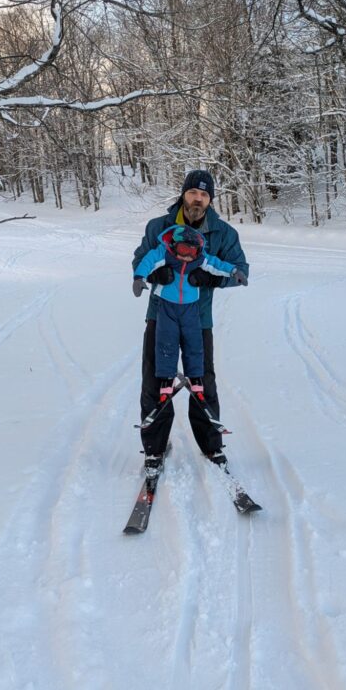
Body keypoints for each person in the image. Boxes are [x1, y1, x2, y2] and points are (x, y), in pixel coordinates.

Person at [131, 169, 249, 476]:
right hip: (161, 314)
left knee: (202, 380)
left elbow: (240, 269)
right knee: (155, 379)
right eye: (193, 193)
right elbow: (140, 259)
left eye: (204, 195)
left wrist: (212, 279)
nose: (198, 199)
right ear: (183, 194)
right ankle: (155, 449)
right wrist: (152, 274)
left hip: (199, 317)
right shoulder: (159, 227)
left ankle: (211, 445)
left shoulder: (223, 233)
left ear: (210, 200)